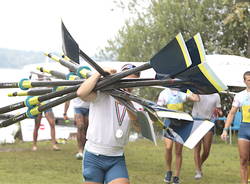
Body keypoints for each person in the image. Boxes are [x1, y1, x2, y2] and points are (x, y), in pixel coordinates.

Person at [77, 64, 141, 184]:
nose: (129, 85)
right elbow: (81, 93)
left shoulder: (135, 103)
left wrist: (127, 102)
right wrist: (100, 73)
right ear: (120, 78)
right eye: (126, 80)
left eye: (133, 82)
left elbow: (138, 128)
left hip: (116, 157)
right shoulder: (102, 94)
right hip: (93, 156)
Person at [157, 88, 200, 184]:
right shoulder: (164, 93)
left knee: (178, 151)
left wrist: (190, 87)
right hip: (169, 122)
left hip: (180, 123)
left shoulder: (182, 92)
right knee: (168, 148)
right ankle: (168, 171)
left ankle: (176, 176)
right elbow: (158, 107)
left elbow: (196, 99)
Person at [221, 71, 250, 184]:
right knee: (243, 159)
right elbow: (232, 113)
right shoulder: (240, 96)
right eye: (249, 80)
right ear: (244, 82)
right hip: (244, 129)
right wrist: (225, 130)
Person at [192, 93, 222, 179]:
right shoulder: (197, 90)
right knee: (197, 148)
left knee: (206, 150)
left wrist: (218, 112)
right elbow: (189, 97)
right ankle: (198, 171)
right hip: (196, 120)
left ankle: (199, 164)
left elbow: (219, 110)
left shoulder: (216, 95)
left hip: (208, 121)